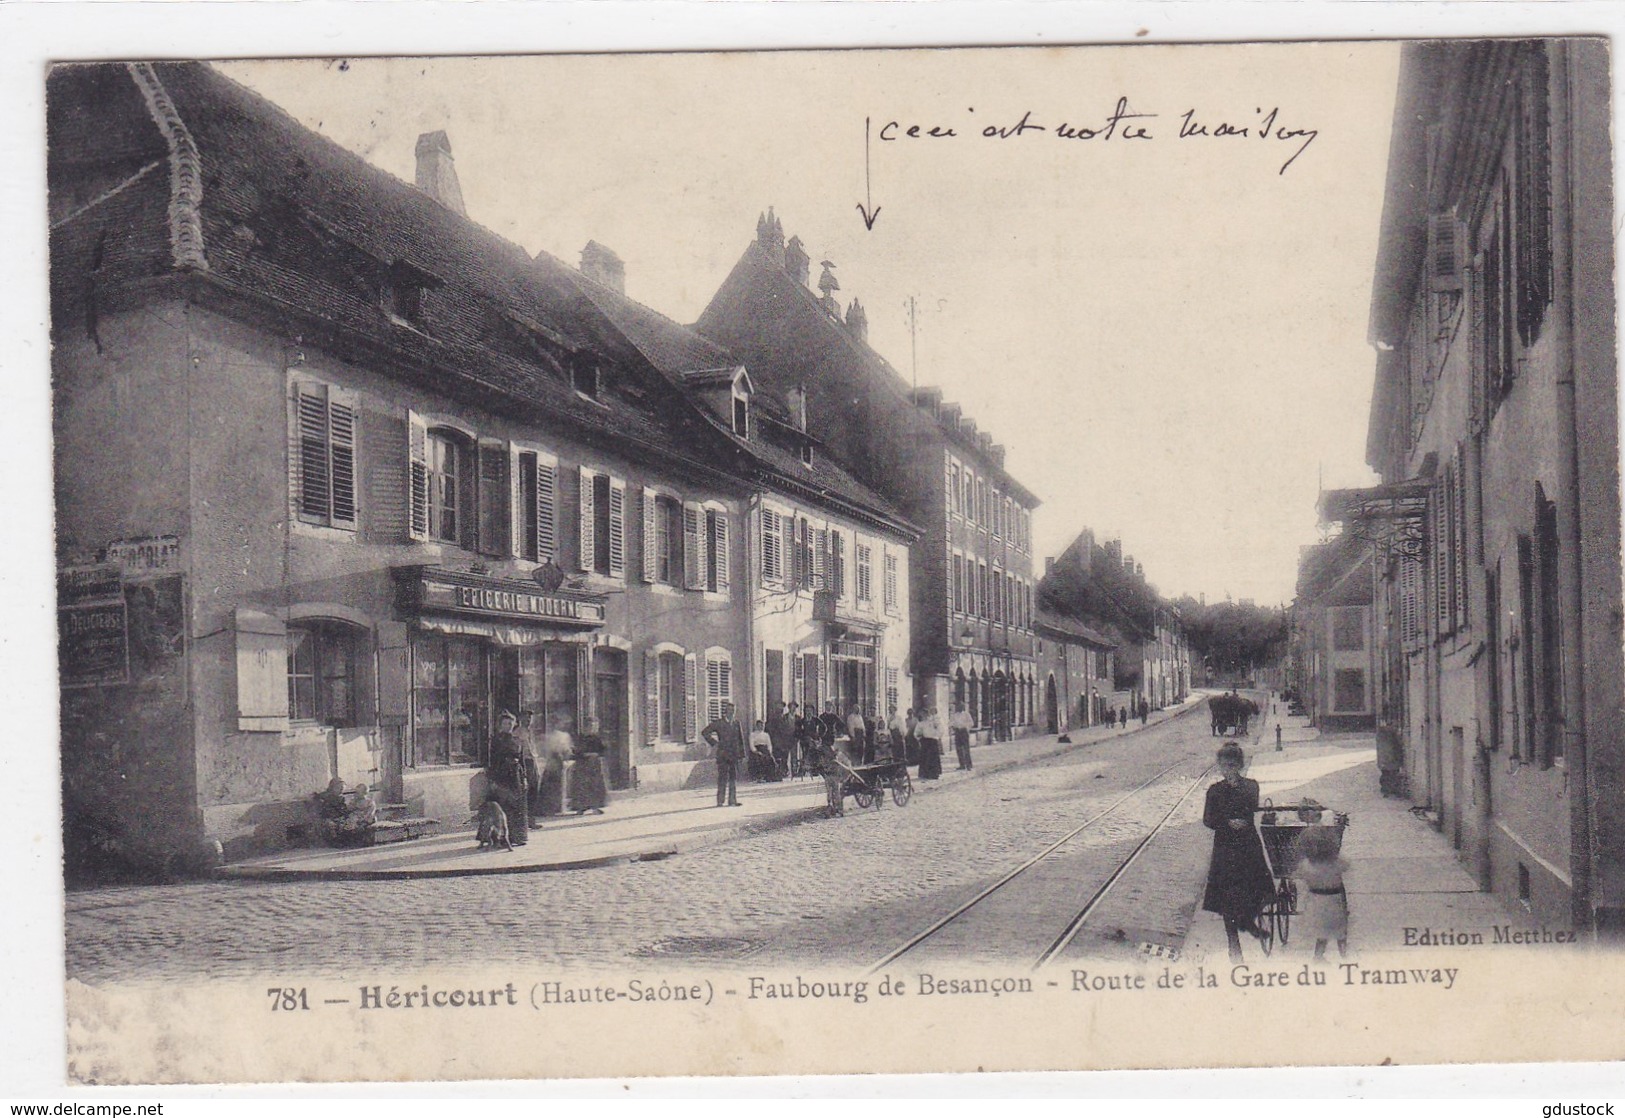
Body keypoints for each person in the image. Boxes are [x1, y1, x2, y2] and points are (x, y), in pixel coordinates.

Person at [1201, 742, 1274, 963]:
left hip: (1248, 846)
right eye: (1224, 766)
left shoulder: (1251, 786)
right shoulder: (1214, 791)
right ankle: (1233, 943)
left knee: (1254, 889)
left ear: (1240, 765)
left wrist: (1238, 809)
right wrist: (1227, 822)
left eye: (1232, 765)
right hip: (1225, 848)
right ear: (1219, 766)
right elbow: (1208, 820)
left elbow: (1250, 808)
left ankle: (1249, 922)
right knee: (1227, 898)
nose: (1228, 770)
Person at [1296, 824, 1350, 960]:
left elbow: (1302, 877)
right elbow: (1346, 866)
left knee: (1321, 934)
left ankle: (1318, 955)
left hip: (1316, 901)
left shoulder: (1306, 865)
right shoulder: (1337, 862)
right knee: (1341, 931)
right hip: (1334, 900)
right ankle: (1343, 955)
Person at [486, 710, 531, 846]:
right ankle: (501, 837)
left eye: (511, 723)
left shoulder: (517, 740)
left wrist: (524, 777)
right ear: (500, 725)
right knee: (504, 805)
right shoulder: (496, 740)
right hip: (502, 774)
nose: (508, 726)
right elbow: (491, 760)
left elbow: (522, 760)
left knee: (517, 805)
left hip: (515, 775)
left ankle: (518, 836)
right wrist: (492, 779)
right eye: (506, 723)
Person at [702, 701, 745, 807]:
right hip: (723, 754)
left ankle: (732, 800)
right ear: (725, 712)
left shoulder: (736, 723)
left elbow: (740, 740)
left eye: (733, 711)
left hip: (734, 755)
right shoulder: (719, 723)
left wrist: (742, 755)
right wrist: (715, 743)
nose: (732, 713)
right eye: (730, 711)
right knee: (722, 778)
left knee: (733, 778)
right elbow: (705, 732)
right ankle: (720, 801)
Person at [567, 718, 609, 814]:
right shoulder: (580, 738)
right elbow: (575, 751)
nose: (591, 728)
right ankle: (581, 807)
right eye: (589, 726)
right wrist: (581, 754)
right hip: (582, 764)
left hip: (594, 765)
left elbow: (603, 750)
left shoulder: (597, 739)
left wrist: (597, 754)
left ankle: (595, 807)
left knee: (595, 785)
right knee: (581, 786)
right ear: (584, 727)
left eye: (593, 726)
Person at [768, 702, 795, 781]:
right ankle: (776, 774)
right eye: (778, 709)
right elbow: (770, 731)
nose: (780, 711)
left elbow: (789, 730)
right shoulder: (772, 720)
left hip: (784, 743)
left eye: (781, 709)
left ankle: (782, 773)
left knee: (784, 759)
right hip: (775, 742)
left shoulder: (785, 719)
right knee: (776, 758)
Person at [1375, 723, 1404, 797]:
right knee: (1392, 775)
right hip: (1392, 759)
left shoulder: (1382, 736)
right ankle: (1392, 790)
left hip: (1386, 760)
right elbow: (1397, 747)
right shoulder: (1392, 735)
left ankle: (1387, 790)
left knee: (1387, 775)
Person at [917, 707, 944, 780]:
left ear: (927, 714)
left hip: (932, 740)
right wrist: (919, 738)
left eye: (924, 714)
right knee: (924, 758)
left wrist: (937, 737)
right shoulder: (921, 723)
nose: (923, 716)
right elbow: (916, 732)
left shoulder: (933, 722)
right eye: (921, 714)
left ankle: (933, 774)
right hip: (924, 741)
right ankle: (924, 774)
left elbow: (941, 729)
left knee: (932, 758)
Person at [949, 701, 974, 771]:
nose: (959, 708)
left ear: (963, 707)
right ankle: (962, 765)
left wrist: (966, 728)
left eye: (961, 706)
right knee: (959, 749)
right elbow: (950, 723)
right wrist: (953, 726)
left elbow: (971, 723)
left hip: (964, 732)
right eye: (958, 706)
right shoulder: (955, 715)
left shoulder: (966, 714)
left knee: (966, 749)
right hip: (957, 732)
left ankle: (969, 765)